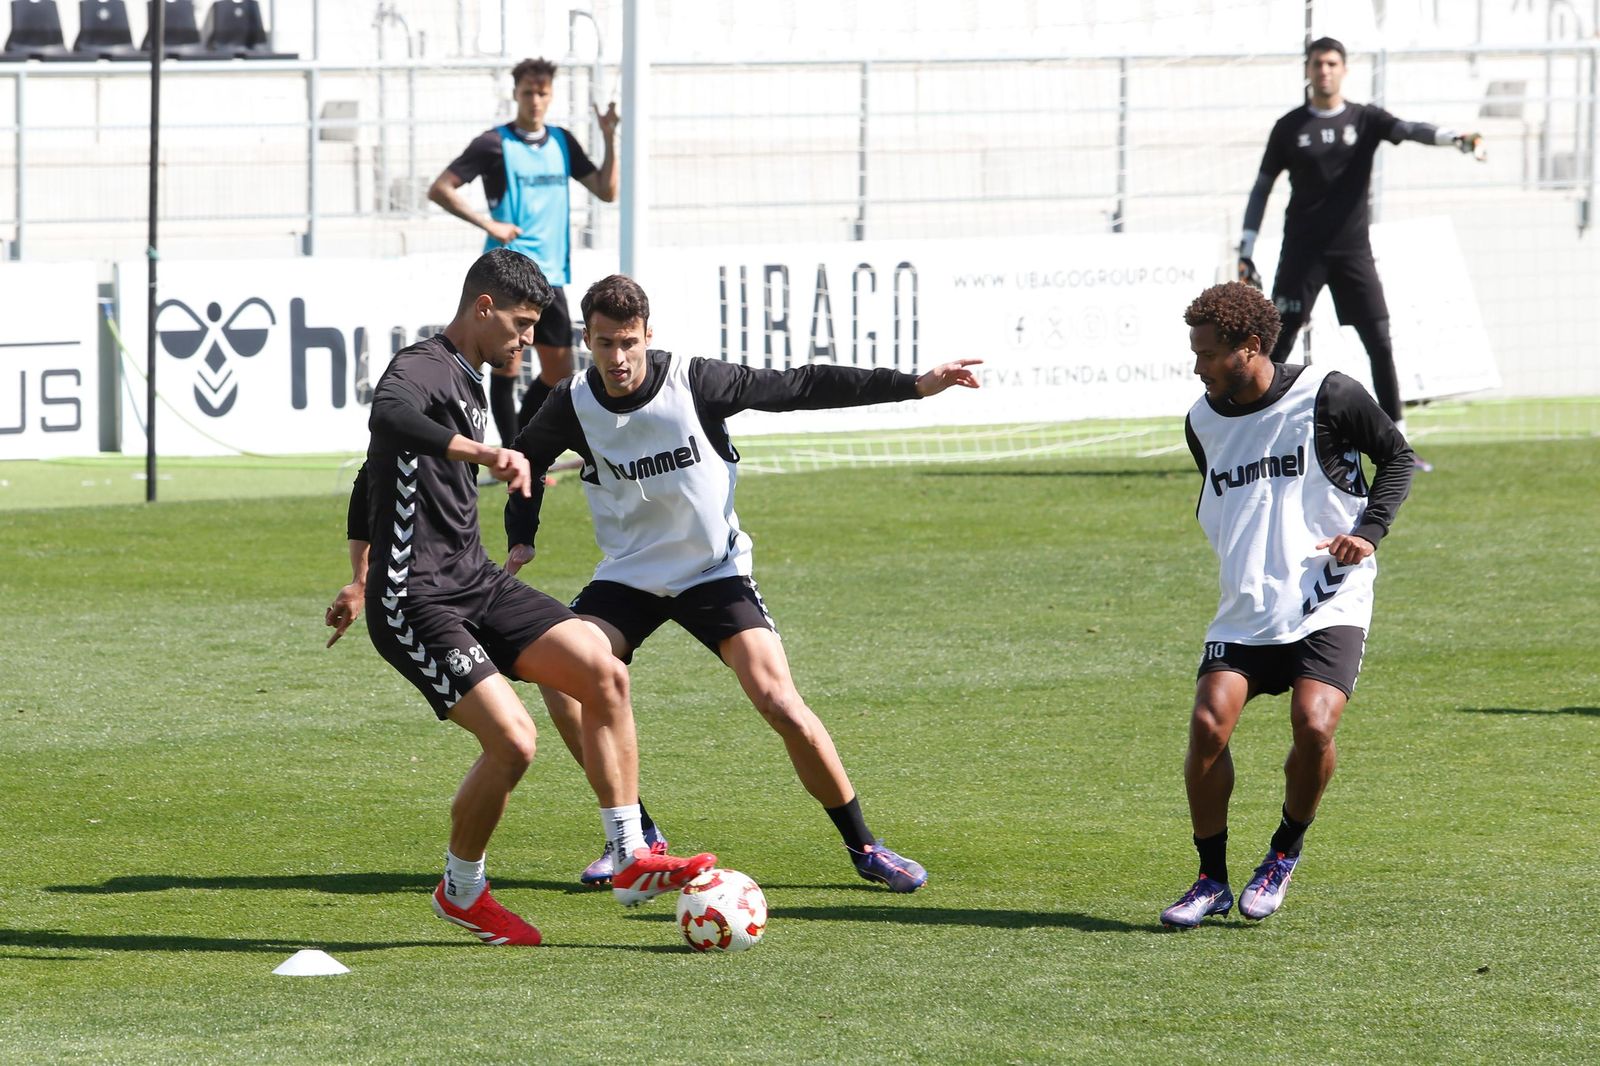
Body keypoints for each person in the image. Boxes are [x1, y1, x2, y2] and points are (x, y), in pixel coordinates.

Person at [503, 274, 981, 892]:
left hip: (713, 571)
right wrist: (523, 533)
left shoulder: (696, 381)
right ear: (587, 340)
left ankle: (864, 844)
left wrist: (914, 387)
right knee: (561, 678)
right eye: (603, 344)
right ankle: (635, 835)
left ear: (649, 334)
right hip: (629, 576)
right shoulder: (573, 401)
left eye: (627, 342)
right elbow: (525, 457)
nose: (617, 359)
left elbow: (800, 385)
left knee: (779, 701)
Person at [323, 250, 714, 947]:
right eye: (522, 324)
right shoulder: (423, 366)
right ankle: (462, 891)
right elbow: (386, 419)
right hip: (417, 600)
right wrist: (478, 460)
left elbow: (368, 479)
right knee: (513, 741)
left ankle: (630, 855)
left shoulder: (471, 378)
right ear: (483, 308)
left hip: (475, 580)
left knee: (602, 669)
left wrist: (354, 573)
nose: (529, 340)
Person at [1161, 281, 1415, 929]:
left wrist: (1367, 533)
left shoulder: (1326, 394)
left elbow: (1398, 458)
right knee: (1209, 726)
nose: (1197, 366)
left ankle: (1282, 853)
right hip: (1247, 605)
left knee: (1315, 724)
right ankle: (1209, 879)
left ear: (1249, 347)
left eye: (1208, 353)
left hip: (1330, 596)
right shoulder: (1203, 421)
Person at [1237, 36, 1484, 472]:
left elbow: (1408, 130)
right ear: (1308, 70)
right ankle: (1255, 435)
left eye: (1332, 63)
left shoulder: (1365, 119)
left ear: (1344, 69)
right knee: (1277, 343)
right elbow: (1262, 187)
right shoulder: (1289, 127)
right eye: (1317, 63)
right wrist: (1247, 246)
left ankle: (1400, 445)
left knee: (1379, 342)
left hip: (1352, 252)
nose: (1324, 70)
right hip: (1302, 252)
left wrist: (1454, 138)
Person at [428, 57, 619, 447]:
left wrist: (610, 137)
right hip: (509, 274)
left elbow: (606, 190)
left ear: (551, 96)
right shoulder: (494, 143)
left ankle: (520, 445)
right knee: (507, 367)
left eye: (542, 93)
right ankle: (516, 456)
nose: (535, 100)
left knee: (559, 373)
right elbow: (440, 189)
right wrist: (489, 224)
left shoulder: (562, 141)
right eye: (528, 92)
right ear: (515, 94)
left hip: (552, 275)